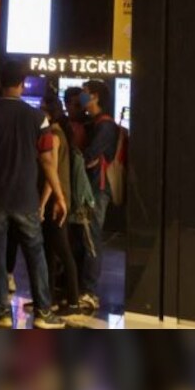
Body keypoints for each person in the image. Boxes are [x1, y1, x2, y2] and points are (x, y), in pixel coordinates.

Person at [0, 58, 68, 329]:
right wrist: (59, 196)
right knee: (35, 254)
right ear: (22, 84)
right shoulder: (39, 119)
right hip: (26, 198)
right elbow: (48, 162)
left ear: (0, 82)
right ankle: (44, 311)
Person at [76, 79, 117, 312]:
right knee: (86, 235)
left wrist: (82, 157)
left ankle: (89, 291)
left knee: (91, 237)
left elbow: (89, 155)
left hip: (97, 188)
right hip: (90, 187)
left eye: (85, 93)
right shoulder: (95, 123)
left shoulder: (104, 126)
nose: (81, 97)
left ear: (95, 97)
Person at [39, 90, 81, 314]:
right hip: (59, 198)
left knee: (62, 250)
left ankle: (73, 302)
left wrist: (42, 203)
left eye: (42, 109)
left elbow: (51, 171)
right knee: (50, 249)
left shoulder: (54, 136)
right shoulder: (59, 133)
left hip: (56, 200)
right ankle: (49, 298)